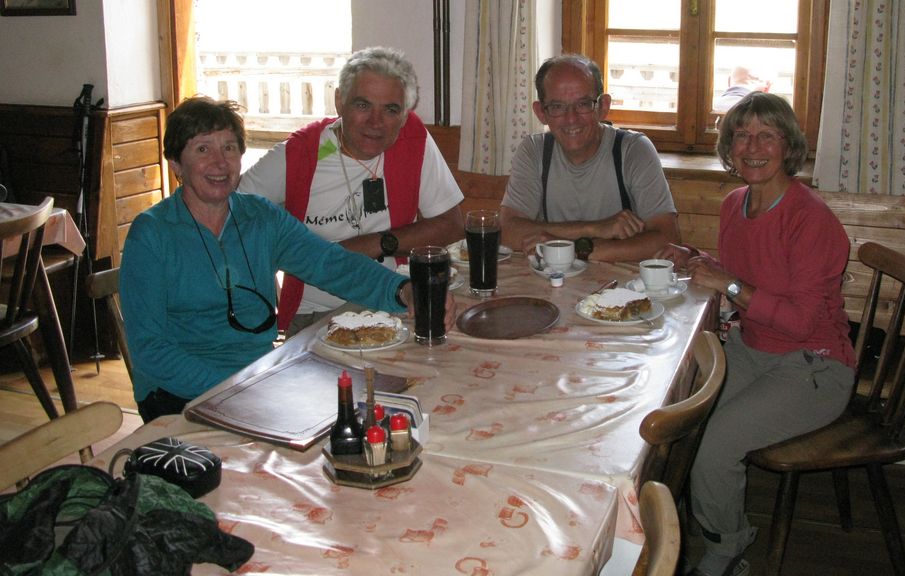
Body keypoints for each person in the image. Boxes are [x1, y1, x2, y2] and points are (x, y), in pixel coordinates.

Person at [120, 96, 455, 422]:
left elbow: (331, 264)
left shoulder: (261, 218)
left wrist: (404, 290)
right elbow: (151, 350)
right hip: (180, 395)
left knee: (378, 406)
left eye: (229, 147)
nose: (220, 163)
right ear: (177, 164)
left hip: (257, 379)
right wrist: (231, 389)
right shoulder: (152, 234)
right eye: (203, 149)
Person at [660, 92, 854, 576]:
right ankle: (673, 530)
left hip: (814, 365)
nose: (752, 145)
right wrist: (699, 263)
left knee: (715, 446)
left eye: (767, 134)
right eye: (741, 134)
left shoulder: (812, 221)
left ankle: (726, 548)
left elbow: (801, 322)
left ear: (788, 146)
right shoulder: (734, 205)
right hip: (753, 347)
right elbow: (746, 278)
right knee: (678, 420)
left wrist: (726, 282)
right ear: (728, 145)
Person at [238, 47, 464, 336]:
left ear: (405, 115)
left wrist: (373, 244)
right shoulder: (299, 154)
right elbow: (229, 215)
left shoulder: (413, 140)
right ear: (339, 102)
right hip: (315, 316)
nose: (376, 121)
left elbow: (452, 225)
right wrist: (264, 285)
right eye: (362, 105)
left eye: (391, 110)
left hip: (394, 300)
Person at [500, 53, 679, 263]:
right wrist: (595, 228)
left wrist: (570, 249)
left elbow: (668, 240)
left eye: (583, 104)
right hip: (552, 283)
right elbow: (507, 232)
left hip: (623, 290)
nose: (571, 118)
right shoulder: (534, 150)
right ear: (541, 113)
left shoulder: (632, 149)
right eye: (557, 107)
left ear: (603, 106)